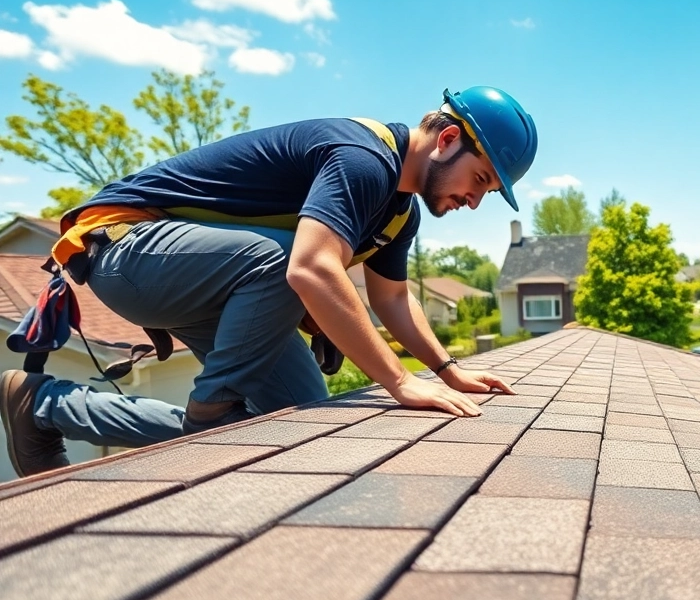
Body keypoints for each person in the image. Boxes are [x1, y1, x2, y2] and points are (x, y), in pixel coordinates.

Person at [1, 86, 538, 477]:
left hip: (207, 283)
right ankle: (214, 408)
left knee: (301, 422)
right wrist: (399, 382)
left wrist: (447, 371)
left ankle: (46, 407)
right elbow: (309, 268)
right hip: (129, 250)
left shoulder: (399, 213)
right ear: (448, 139)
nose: (475, 200)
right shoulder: (363, 159)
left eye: (488, 192)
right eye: (480, 179)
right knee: (286, 260)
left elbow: (393, 297)